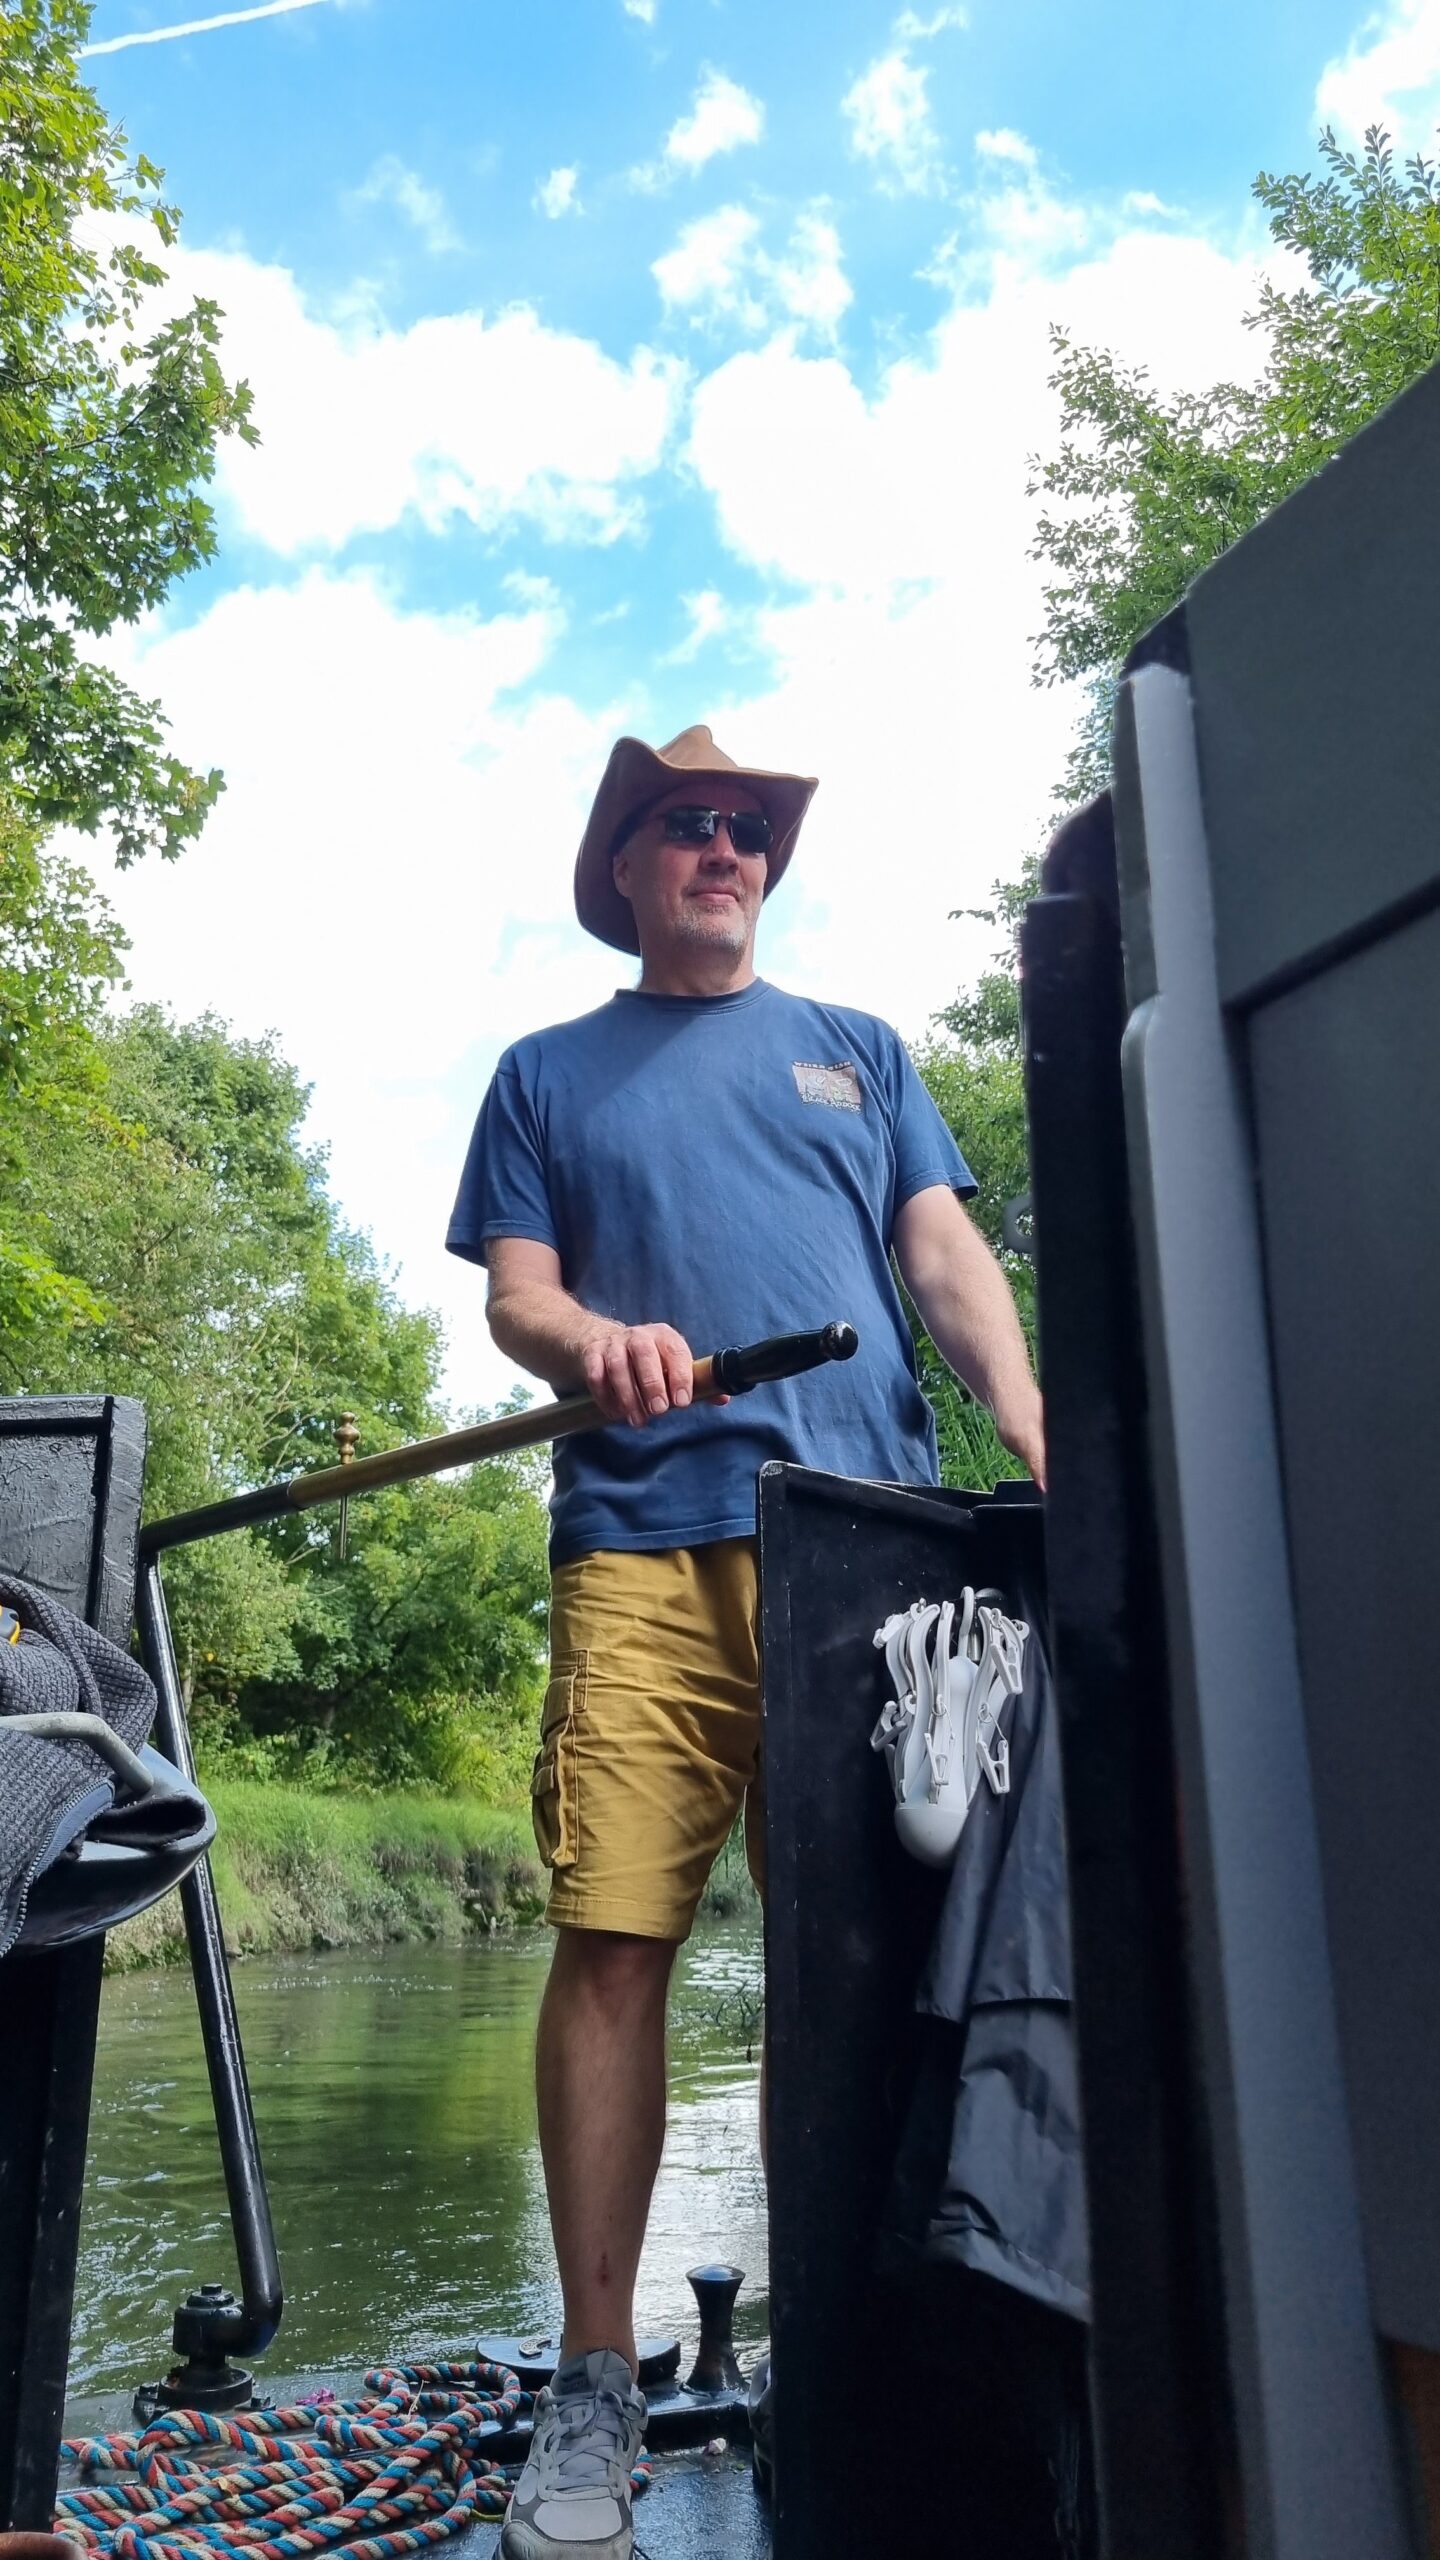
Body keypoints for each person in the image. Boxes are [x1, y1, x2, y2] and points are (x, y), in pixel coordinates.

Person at [447, 723, 1045, 2560]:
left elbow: (945, 1262)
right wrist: (589, 1346)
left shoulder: (863, 1054)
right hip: (639, 1550)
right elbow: (518, 1298)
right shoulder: (544, 1072)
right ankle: (598, 2378)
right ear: (623, 864)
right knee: (615, 1943)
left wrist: (1044, 1437)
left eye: (747, 831)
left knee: (842, 1976)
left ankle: (825, 2358)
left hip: (869, 1556)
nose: (725, 849)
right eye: (688, 828)